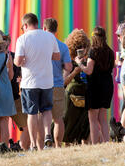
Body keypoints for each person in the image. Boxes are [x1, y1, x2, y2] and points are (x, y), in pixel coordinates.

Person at [14, 13, 60, 150]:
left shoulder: (22, 39)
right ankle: (47, 135)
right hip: (47, 80)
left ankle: (33, 144)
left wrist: (23, 60)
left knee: (32, 113)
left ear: (26, 25)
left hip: (29, 82)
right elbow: (57, 57)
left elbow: (17, 62)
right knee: (46, 111)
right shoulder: (50, 36)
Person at [75, 26, 115, 144]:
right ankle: (107, 141)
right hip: (107, 86)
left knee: (92, 118)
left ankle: (95, 144)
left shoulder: (94, 52)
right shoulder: (110, 52)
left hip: (95, 87)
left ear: (94, 38)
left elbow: (89, 71)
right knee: (102, 117)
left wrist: (79, 63)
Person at [43, 18, 72, 148]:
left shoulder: (40, 45)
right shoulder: (62, 46)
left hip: (41, 84)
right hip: (57, 85)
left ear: (44, 29)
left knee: (41, 116)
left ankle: (39, 145)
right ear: (56, 30)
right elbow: (68, 67)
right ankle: (58, 145)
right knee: (58, 118)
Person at [63, 29, 90, 145]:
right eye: (79, 46)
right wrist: (75, 71)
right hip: (72, 98)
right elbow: (64, 82)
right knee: (69, 124)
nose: (82, 49)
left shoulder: (89, 60)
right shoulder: (69, 62)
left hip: (86, 96)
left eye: (84, 46)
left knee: (84, 125)